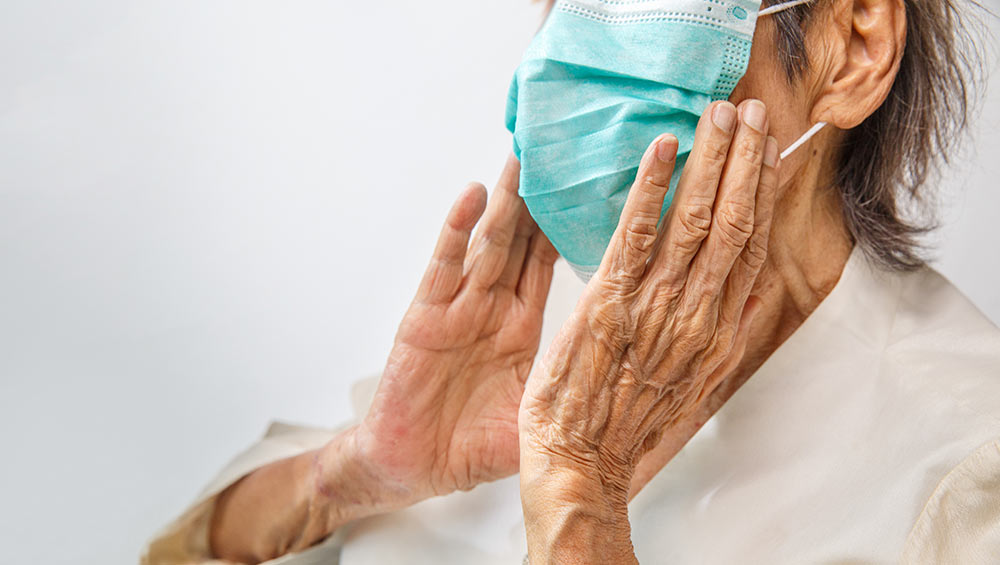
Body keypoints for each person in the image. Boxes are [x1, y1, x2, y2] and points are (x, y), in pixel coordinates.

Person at [144, 0, 1000, 563]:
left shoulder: (964, 472)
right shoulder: (537, 313)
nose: (573, 45)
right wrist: (352, 472)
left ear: (853, 48)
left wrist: (580, 503)